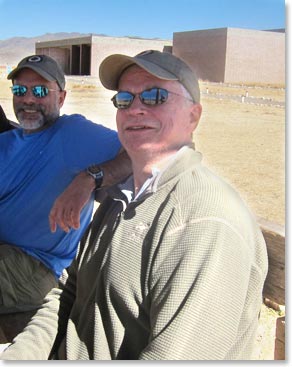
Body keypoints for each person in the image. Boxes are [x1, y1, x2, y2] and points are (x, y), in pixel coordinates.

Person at [0, 50, 268, 360]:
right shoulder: (120, 201)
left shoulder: (204, 222)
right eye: (125, 99)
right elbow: (66, 295)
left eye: (155, 97)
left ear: (193, 116)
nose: (136, 109)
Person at [0, 54, 131, 341]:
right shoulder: (6, 141)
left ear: (61, 97)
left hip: (35, 265)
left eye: (40, 91)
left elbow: (135, 152)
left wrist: (90, 177)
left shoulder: (73, 133)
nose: (29, 100)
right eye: (20, 91)